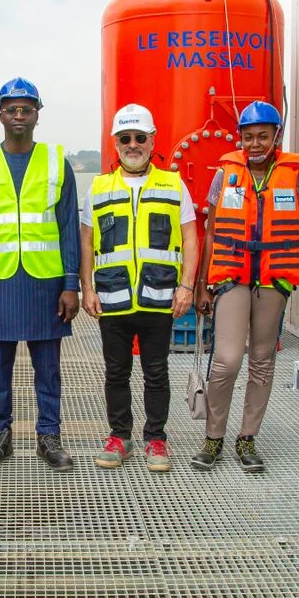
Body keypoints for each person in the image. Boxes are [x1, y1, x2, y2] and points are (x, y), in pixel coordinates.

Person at [0, 77, 81, 471]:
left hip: (45, 284)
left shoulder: (56, 162)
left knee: (49, 370)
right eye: (11, 108)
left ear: (37, 115)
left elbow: (67, 229)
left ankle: (49, 437)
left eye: (25, 109)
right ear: (0, 114)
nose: (18, 115)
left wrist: (71, 284)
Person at [193, 101, 299, 473]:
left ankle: (247, 438)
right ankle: (214, 438)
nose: (255, 143)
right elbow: (211, 231)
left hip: (272, 280)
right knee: (227, 361)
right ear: (240, 138)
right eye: (249, 136)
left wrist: (286, 266)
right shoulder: (224, 175)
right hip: (232, 276)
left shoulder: (295, 179)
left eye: (263, 135)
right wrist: (202, 284)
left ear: (276, 136)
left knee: (262, 361)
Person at [81, 104, 197, 473]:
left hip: (159, 296)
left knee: (156, 371)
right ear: (115, 143)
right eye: (125, 138)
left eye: (140, 138)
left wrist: (187, 286)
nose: (133, 145)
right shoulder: (99, 187)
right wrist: (87, 288)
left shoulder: (173, 184)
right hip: (113, 297)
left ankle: (156, 439)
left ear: (151, 141)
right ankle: (119, 436)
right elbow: (85, 242)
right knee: (116, 372)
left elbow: (192, 238)